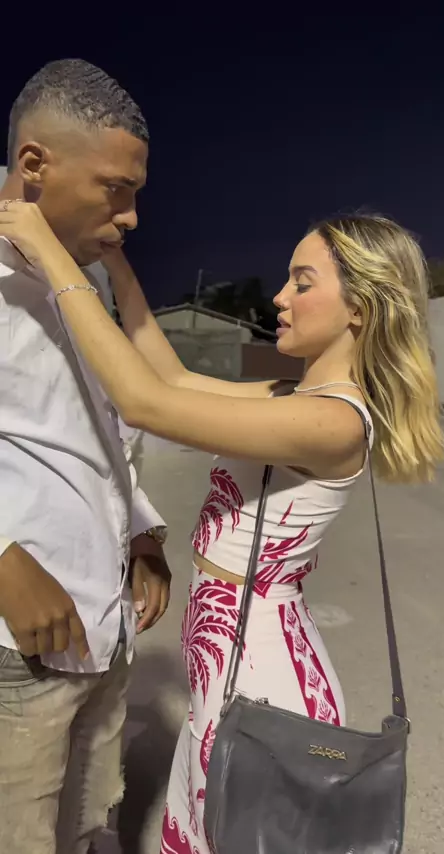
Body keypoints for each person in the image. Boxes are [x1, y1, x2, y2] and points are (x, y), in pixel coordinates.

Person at [0, 201, 444, 853]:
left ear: (360, 307)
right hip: (228, 664)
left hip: (266, 681)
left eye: (302, 282)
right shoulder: (293, 397)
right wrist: (119, 266)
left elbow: (144, 403)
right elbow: (171, 377)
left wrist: (48, 250)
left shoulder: (336, 422)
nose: (279, 297)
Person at [0, 60, 172, 854]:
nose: (131, 216)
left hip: (105, 627)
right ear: (35, 164)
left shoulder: (82, 281)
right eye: (116, 189)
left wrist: (140, 531)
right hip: (19, 653)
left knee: (94, 825)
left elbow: (105, 426)